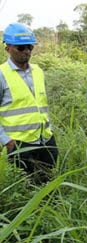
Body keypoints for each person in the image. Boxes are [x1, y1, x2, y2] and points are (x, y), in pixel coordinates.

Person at [0, 23, 58, 184]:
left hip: (45, 139)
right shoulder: (2, 74)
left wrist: (50, 130)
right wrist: (6, 141)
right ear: (8, 49)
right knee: (25, 187)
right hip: (19, 144)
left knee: (48, 182)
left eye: (30, 47)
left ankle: (48, 208)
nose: (27, 51)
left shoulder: (38, 71)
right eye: (21, 47)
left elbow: (41, 105)